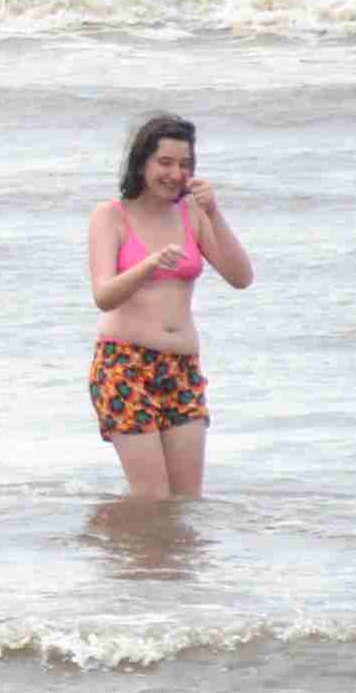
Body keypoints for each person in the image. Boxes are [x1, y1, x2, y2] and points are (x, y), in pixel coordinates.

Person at [87, 111, 249, 499]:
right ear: (141, 162)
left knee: (186, 501)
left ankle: (169, 564)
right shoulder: (110, 216)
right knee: (152, 498)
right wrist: (147, 266)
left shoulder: (192, 214)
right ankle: (135, 558)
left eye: (184, 164)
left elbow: (241, 277)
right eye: (165, 162)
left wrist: (214, 212)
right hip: (123, 365)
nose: (175, 173)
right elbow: (102, 295)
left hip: (182, 369)